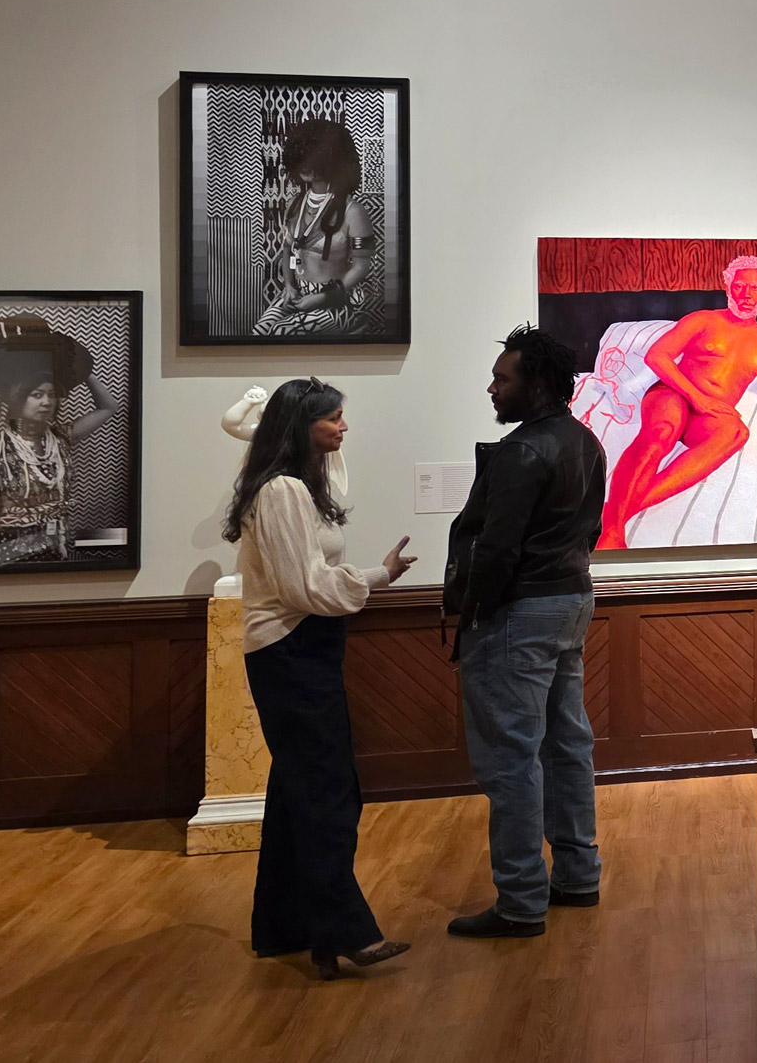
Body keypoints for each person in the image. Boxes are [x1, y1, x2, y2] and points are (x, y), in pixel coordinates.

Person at [224, 378, 416, 979]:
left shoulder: (295, 486)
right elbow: (304, 588)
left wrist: (373, 573)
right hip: (292, 651)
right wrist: (375, 580)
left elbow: (307, 575)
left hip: (298, 650)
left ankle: (284, 927)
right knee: (329, 793)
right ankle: (344, 929)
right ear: (300, 426)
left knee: (295, 793)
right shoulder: (282, 490)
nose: (343, 427)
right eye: (333, 418)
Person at [444, 326, 609, 938]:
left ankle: (519, 902)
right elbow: (588, 533)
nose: (493, 387)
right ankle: (577, 875)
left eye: (503, 378)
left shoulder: (523, 451)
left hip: (520, 610)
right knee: (567, 745)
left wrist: (473, 615)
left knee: (511, 759)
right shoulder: (586, 442)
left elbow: (496, 551)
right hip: (571, 599)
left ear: (535, 384)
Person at [595, 255, 757, 549]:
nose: (746, 295)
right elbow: (657, 356)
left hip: (707, 416)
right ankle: (612, 532)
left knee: (737, 432)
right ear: (728, 287)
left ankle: (614, 514)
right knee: (661, 433)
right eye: (739, 286)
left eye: (754, 288)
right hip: (674, 394)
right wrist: (698, 398)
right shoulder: (703, 320)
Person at [0, 315, 123, 568]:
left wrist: (79, 371)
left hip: (55, 555)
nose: (46, 402)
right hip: (7, 558)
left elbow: (109, 407)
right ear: (19, 399)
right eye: (36, 395)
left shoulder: (61, 439)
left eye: (51, 395)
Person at [253, 118, 382, 337]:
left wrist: (324, 298)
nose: (306, 164)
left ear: (334, 160)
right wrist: (289, 286)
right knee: (259, 333)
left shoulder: (353, 211)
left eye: (315, 157)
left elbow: (361, 267)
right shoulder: (296, 205)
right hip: (299, 293)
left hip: (338, 299)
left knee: (282, 332)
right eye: (302, 157)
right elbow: (288, 250)